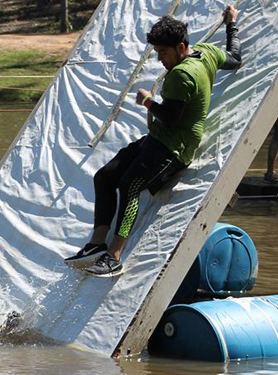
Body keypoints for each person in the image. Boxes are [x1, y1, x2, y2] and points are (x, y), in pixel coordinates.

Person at [64, 6, 242, 277]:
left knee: (129, 185)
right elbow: (234, 58)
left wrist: (147, 100)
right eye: (157, 52)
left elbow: (170, 117)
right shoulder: (207, 52)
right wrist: (232, 24)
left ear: (181, 47)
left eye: (163, 53)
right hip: (158, 137)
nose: (160, 59)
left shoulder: (181, 75)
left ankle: (114, 257)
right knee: (104, 176)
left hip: (175, 146)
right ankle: (96, 244)